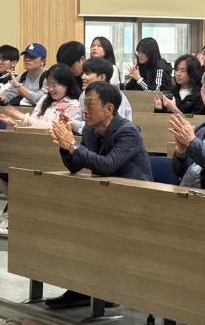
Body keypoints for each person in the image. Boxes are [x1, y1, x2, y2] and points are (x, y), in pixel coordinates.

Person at [46, 81, 153, 309]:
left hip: (135, 201)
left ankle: (107, 291)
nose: (84, 110)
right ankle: (81, 287)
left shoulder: (128, 132)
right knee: (73, 226)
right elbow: (75, 166)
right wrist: (66, 146)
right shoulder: (90, 130)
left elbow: (107, 165)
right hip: (105, 197)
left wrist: (74, 147)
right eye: (83, 104)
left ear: (109, 108)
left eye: (90, 105)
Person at [0, 63, 82, 128]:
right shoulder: (45, 98)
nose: (50, 89)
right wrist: (16, 123)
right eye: (48, 85)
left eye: (54, 85)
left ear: (67, 84)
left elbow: (55, 127)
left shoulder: (73, 104)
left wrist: (23, 117)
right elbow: (33, 123)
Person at [71, 58, 132, 134]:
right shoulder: (84, 94)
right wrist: (70, 122)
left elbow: (112, 126)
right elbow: (79, 118)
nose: (82, 77)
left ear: (102, 77)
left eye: (87, 73)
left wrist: (76, 125)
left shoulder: (114, 94)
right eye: (83, 73)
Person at [6, 42, 49, 106]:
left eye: (32, 57)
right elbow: (8, 95)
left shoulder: (50, 77)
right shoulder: (22, 77)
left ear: (43, 61)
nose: (27, 59)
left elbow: (40, 99)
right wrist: (1, 97)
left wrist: (19, 86)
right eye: (26, 56)